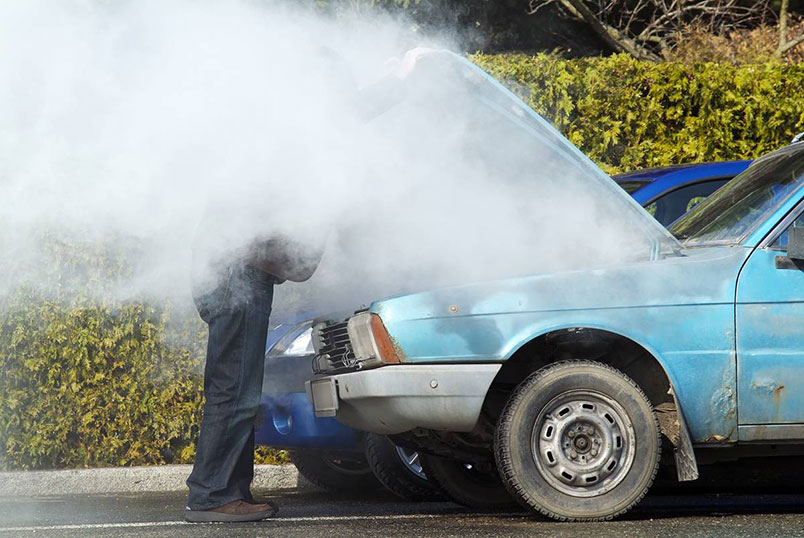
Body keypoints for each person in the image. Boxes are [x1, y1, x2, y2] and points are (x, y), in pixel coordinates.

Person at [183, 46, 436, 523]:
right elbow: (341, 118)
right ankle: (213, 494)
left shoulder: (283, 122)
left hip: (235, 269)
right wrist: (400, 81)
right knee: (233, 390)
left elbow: (342, 117)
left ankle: (225, 490)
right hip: (235, 272)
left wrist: (392, 78)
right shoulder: (283, 129)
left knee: (237, 388)